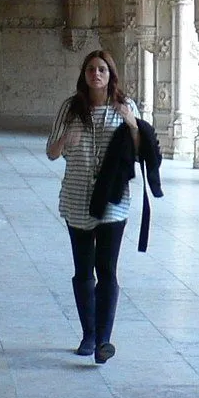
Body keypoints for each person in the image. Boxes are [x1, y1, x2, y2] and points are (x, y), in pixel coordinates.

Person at [47, 49, 142, 364]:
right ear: (84, 74)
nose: (96, 74)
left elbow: (141, 152)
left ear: (111, 74)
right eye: (91, 69)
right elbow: (51, 152)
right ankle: (88, 334)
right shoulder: (70, 108)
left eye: (102, 69)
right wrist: (66, 139)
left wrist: (132, 124)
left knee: (107, 269)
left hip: (114, 201)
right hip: (77, 199)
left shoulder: (125, 107)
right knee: (83, 270)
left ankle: (103, 340)